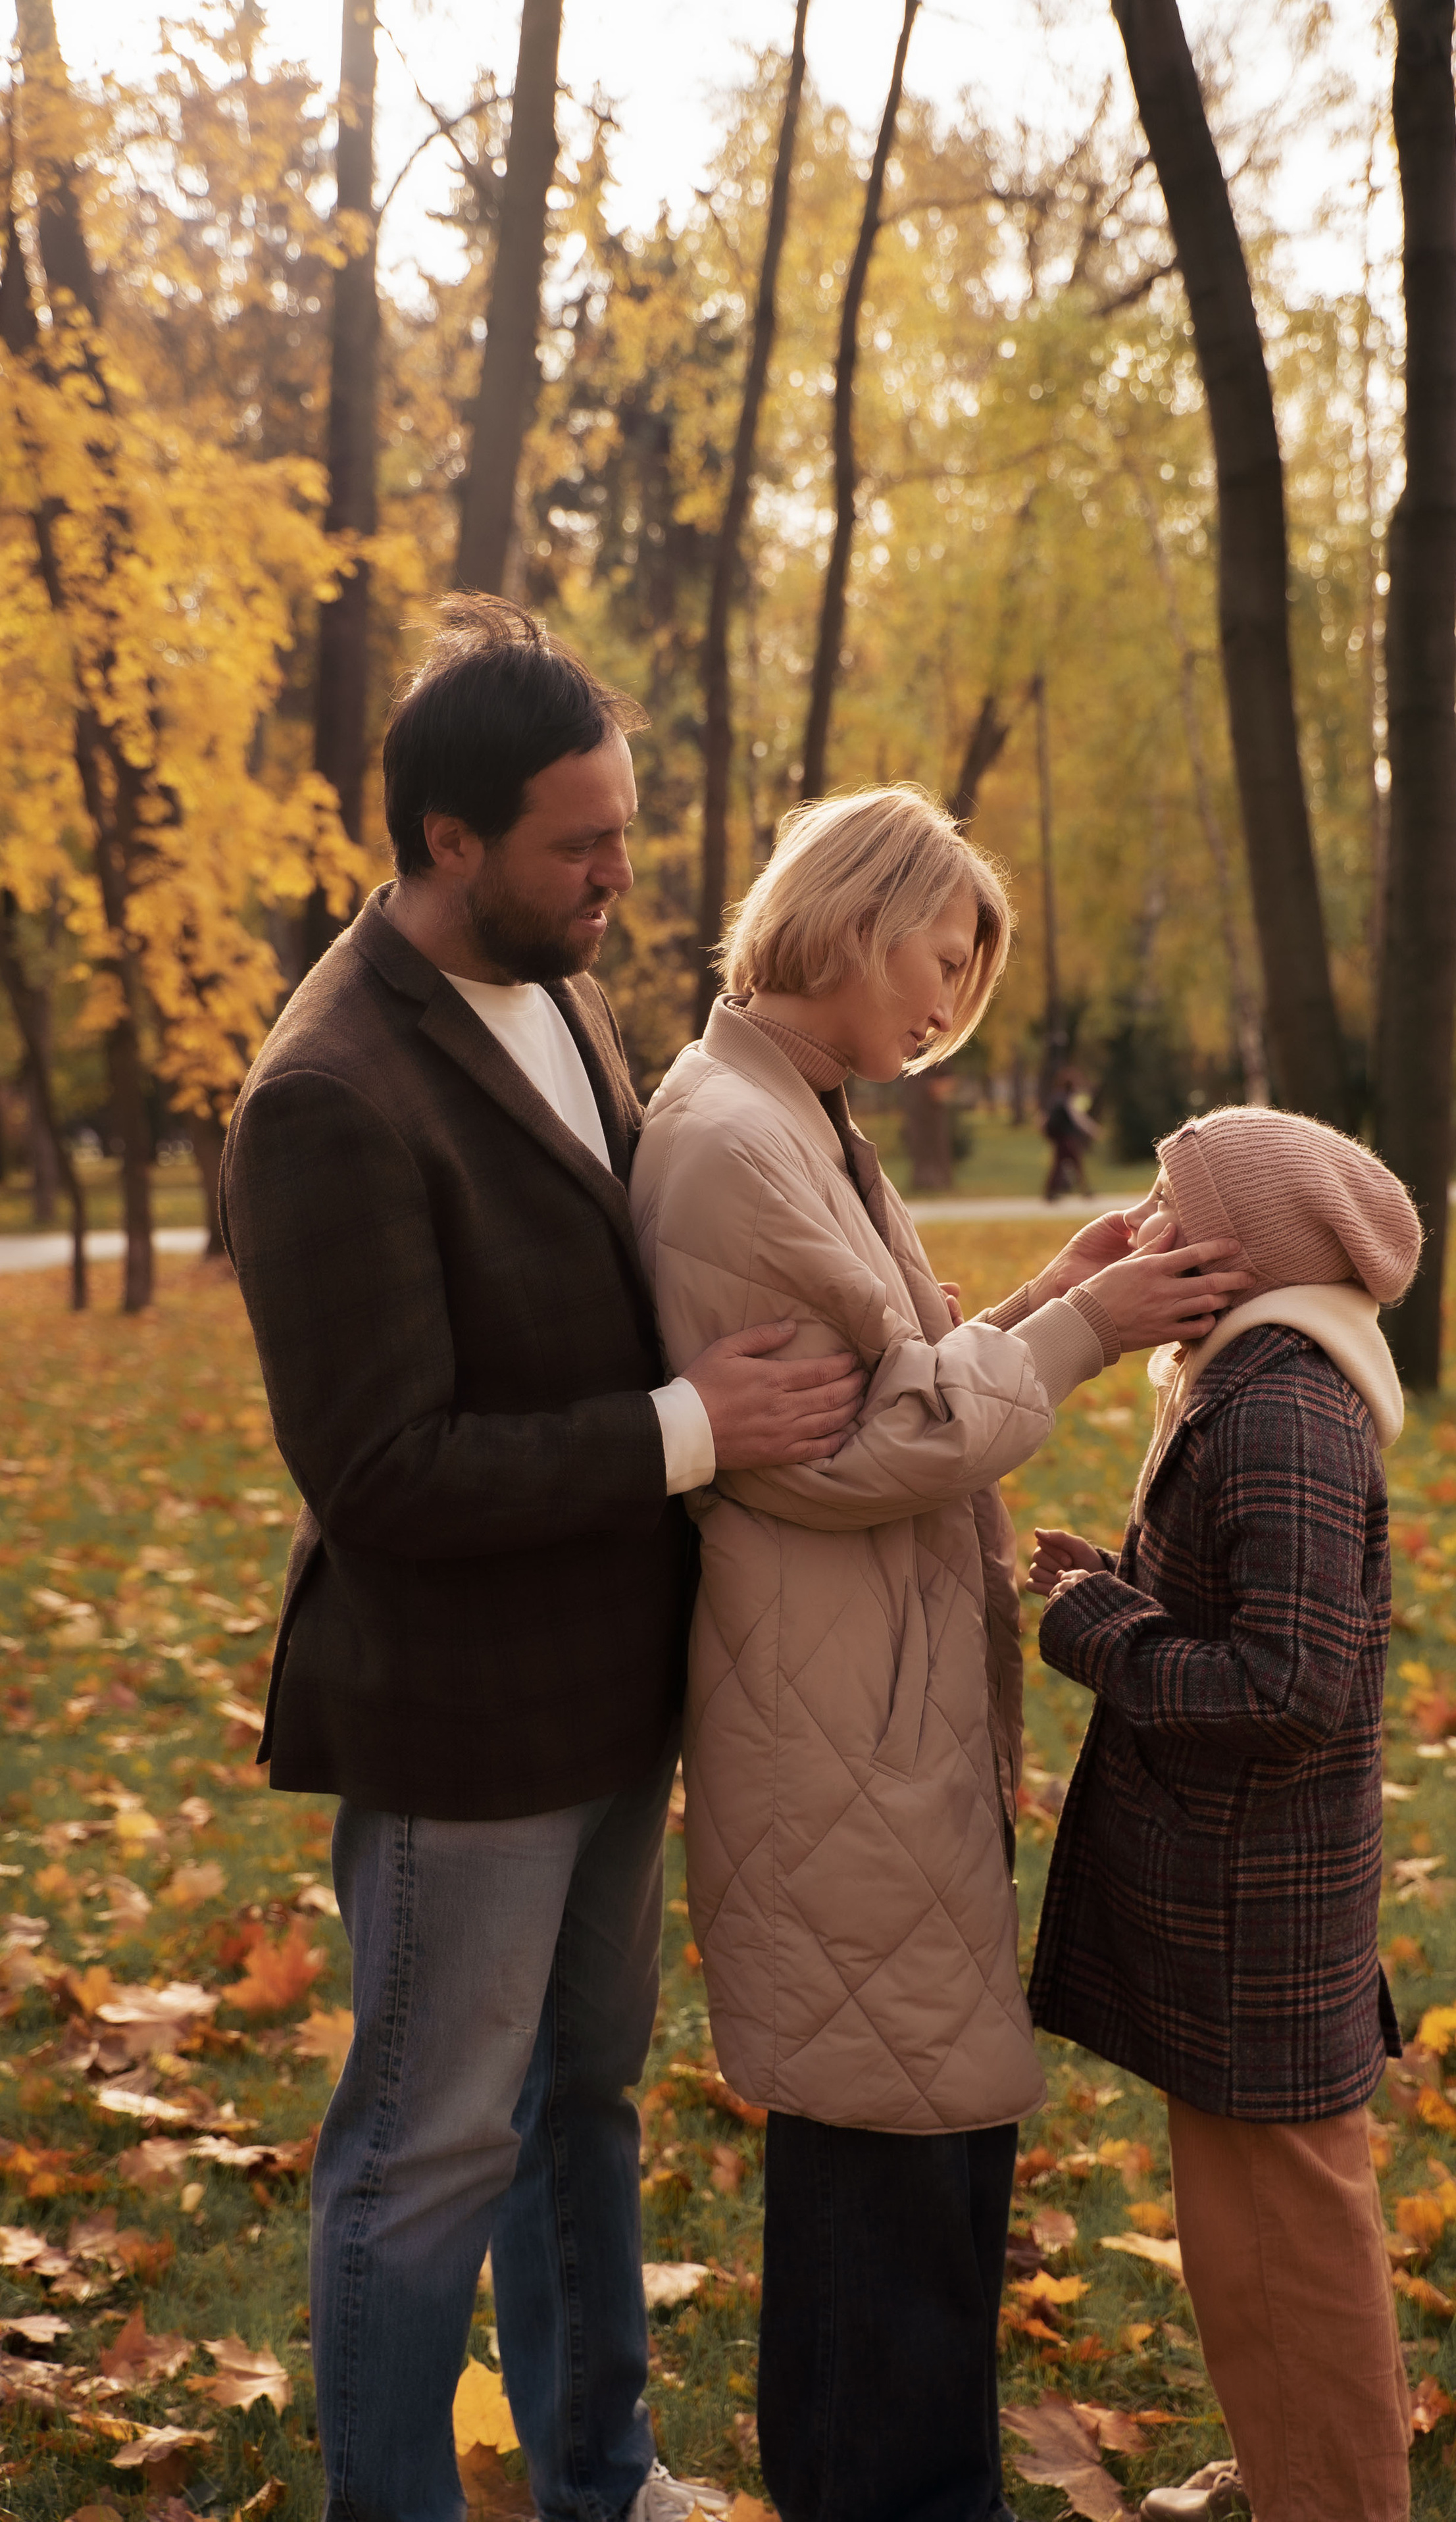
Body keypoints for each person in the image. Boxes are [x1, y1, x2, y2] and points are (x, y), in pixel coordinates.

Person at [220, 595, 869, 2522]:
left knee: (581, 2102)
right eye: (581, 839)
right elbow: (381, 1470)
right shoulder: (329, 1091)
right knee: (426, 2151)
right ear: (447, 842)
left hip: (612, 1690)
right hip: (459, 1724)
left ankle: (600, 2473)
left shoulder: (566, 988)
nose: (620, 874)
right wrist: (692, 1425)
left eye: (624, 827)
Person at [629, 786, 1253, 2522]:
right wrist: (1082, 1329)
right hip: (835, 1722)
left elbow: (882, 1372)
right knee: (888, 2173)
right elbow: (844, 1448)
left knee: (926, 2157)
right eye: (940, 949)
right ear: (843, 914)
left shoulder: (798, 1116)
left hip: (877, 1710)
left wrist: (1041, 1293)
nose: (952, 994)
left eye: (972, 967)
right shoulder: (732, 1145)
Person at [1025, 1105, 1424, 2522]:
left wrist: (1094, 1633)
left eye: (1163, 1197)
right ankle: (1291, 2469)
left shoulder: (1275, 1405)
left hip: (1257, 1897)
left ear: (1236, 1248)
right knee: (1252, 2232)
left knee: (1280, 2240)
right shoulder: (1241, 1376)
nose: (1136, 1216)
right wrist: (1119, 1585)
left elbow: (1292, 1683)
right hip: (1248, 1886)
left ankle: (1329, 2495)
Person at [1042, 1067, 1098, 1201]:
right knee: (1075, 1163)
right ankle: (1085, 1191)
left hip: (1059, 1137)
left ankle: (1051, 1192)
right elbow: (1077, 1118)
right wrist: (1092, 1130)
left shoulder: (1057, 1097)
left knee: (1060, 1164)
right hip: (1066, 1137)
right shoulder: (1067, 1099)